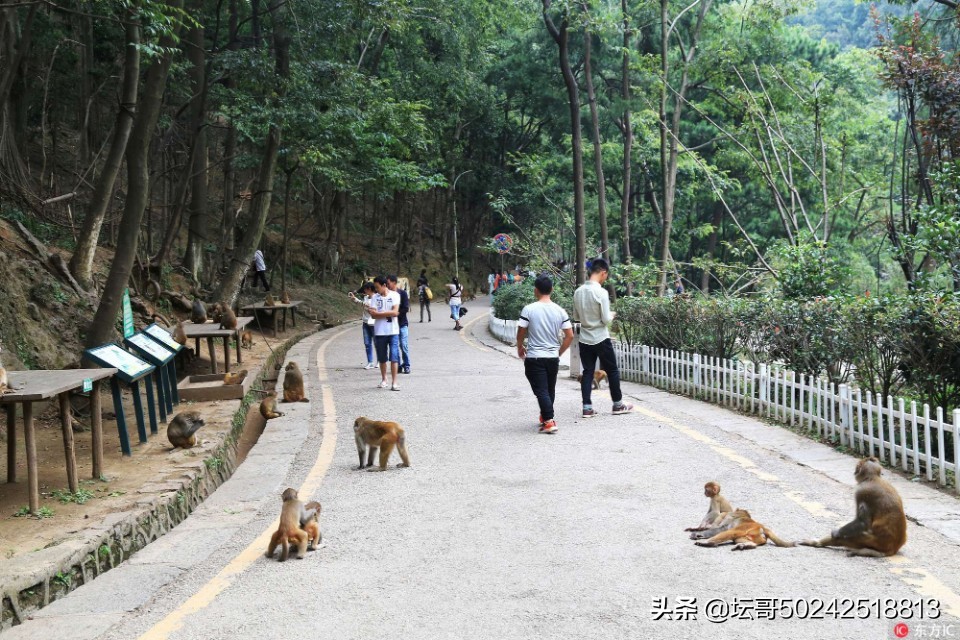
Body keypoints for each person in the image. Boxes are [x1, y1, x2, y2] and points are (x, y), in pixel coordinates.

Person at [572, 258, 634, 418]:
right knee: (612, 370)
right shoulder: (601, 292)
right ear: (603, 272)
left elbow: (576, 316)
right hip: (600, 337)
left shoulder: (578, 292)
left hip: (585, 338)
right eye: (606, 275)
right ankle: (618, 405)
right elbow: (606, 319)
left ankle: (587, 408)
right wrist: (611, 315)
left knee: (587, 372)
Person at [516, 275, 574, 434]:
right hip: (552, 358)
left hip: (535, 356)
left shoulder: (529, 309)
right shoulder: (560, 310)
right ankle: (545, 415)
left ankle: (549, 421)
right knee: (549, 389)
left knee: (541, 390)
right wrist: (559, 352)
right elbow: (570, 335)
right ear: (552, 290)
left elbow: (521, 330)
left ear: (536, 290)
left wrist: (520, 346)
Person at [367, 276, 401, 391]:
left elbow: (396, 312)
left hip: (393, 331)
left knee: (394, 356)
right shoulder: (375, 298)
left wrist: (379, 313)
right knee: (382, 358)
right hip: (379, 332)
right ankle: (384, 379)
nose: (376, 290)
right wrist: (389, 313)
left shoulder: (395, 295)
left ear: (384, 285)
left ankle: (395, 382)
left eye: (377, 287)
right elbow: (373, 315)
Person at [347, 281, 377, 369]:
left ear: (370, 289)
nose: (364, 291)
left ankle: (379, 361)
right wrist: (354, 298)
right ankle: (370, 362)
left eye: (366, 289)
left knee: (377, 343)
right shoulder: (366, 298)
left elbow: (370, 307)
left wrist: (358, 301)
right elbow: (364, 305)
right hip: (365, 322)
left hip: (374, 323)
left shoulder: (377, 298)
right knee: (367, 343)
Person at [387, 275, 411, 374]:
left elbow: (406, 308)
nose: (387, 285)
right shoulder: (387, 295)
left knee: (404, 345)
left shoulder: (402, 293)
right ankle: (398, 365)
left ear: (394, 283)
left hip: (402, 324)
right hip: (391, 325)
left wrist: (395, 314)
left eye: (388, 283)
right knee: (394, 347)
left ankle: (407, 365)